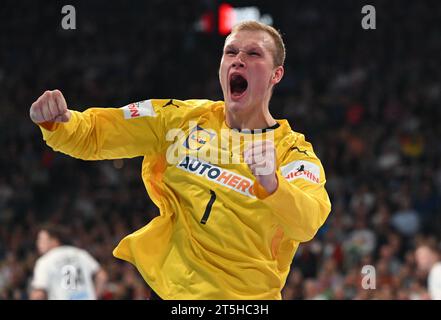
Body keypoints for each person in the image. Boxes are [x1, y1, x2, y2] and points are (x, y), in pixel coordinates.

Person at [29, 21, 331, 299]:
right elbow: (98, 133)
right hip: (172, 295)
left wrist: (273, 184)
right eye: (230, 52)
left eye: (254, 53)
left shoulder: (292, 151)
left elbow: (307, 223)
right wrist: (61, 124)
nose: (238, 59)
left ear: (276, 74)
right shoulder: (179, 119)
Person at [30, 224, 108, 300]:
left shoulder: (45, 261)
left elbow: (39, 295)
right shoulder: (80, 253)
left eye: (42, 239)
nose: (38, 243)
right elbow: (102, 276)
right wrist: (95, 296)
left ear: (54, 240)